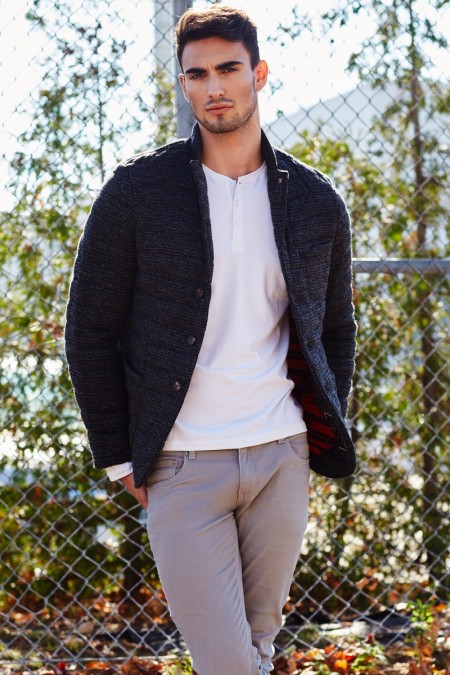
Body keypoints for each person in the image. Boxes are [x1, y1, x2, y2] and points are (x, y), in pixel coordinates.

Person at [65, 5, 357, 674]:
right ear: (183, 84)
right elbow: (89, 330)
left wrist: (317, 430)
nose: (214, 87)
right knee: (229, 663)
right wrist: (119, 457)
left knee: (256, 651)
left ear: (259, 73)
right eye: (196, 74)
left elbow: (335, 330)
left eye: (228, 69)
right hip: (181, 464)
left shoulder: (315, 201)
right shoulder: (137, 193)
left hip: (281, 457)